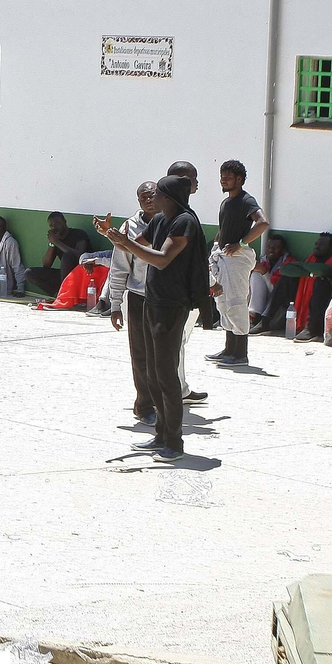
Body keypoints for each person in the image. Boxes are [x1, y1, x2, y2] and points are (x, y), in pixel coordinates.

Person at [97, 174, 210, 463]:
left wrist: (126, 242)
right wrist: (111, 236)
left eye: (157, 193)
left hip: (173, 305)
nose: (152, 198)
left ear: (169, 198)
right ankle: (161, 435)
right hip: (152, 301)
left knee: (166, 374)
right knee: (153, 371)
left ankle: (174, 442)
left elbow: (161, 258)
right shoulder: (159, 221)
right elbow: (131, 247)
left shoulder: (185, 221)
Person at [204, 159, 270, 368]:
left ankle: (241, 353)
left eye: (228, 177)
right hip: (222, 256)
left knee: (236, 302)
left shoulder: (246, 200)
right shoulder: (226, 202)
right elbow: (223, 229)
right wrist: (216, 245)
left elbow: (263, 222)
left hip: (237, 260)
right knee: (222, 302)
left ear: (239, 179)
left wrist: (241, 244)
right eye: (222, 176)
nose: (223, 180)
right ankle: (229, 349)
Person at [106, 183, 159, 426]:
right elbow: (119, 269)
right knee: (140, 354)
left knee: (163, 354)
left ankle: (164, 400)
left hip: (165, 298)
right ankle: (144, 404)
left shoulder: (172, 222)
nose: (149, 200)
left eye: (153, 195)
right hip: (138, 297)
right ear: (138, 200)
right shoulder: (129, 227)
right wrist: (115, 304)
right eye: (144, 197)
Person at [166, 161, 209, 408]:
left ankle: (180, 388)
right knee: (171, 344)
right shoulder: (175, 218)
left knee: (180, 342)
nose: (196, 183)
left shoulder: (186, 215)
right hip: (172, 296)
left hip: (187, 293)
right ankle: (169, 394)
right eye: (192, 178)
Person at [288, 233, 332, 343]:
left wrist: (302, 266)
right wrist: (310, 272)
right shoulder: (311, 260)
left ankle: (312, 329)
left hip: (326, 300)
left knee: (321, 281)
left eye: (322, 244)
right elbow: (285, 269)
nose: (317, 246)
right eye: (316, 244)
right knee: (287, 279)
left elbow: (323, 270)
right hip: (310, 301)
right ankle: (266, 320)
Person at [26, 212, 90, 297]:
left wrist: (57, 242)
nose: (54, 227)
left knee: (67, 256)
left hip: (83, 273)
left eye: (57, 224)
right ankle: (59, 295)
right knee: (29, 273)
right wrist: (52, 244)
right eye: (51, 226)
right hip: (65, 275)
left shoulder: (79, 234)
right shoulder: (55, 240)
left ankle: (66, 295)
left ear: (65, 222)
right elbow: (46, 264)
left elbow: (80, 255)